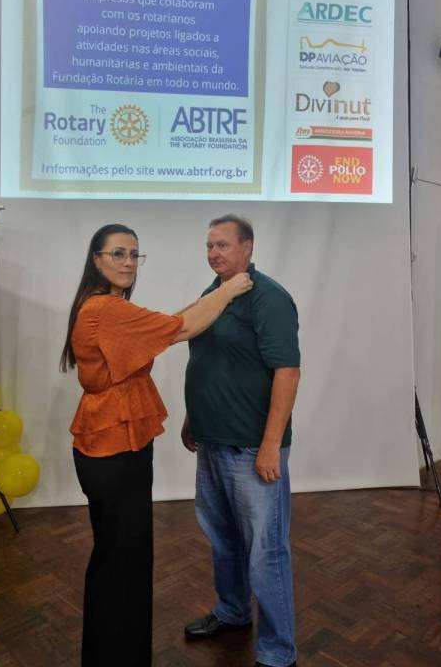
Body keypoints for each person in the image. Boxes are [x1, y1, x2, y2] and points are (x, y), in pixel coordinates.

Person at [59, 223, 253, 667]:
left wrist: (210, 299)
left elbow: (169, 325)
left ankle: (115, 654)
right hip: (113, 447)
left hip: (114, 443)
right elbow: (182, 328)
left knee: (120, 557)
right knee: (121, 559)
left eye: (134, 254)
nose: (128, 262)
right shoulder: (105, 309)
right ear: (96, 260)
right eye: (118, 254)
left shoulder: (109, 307)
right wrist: (228, 290)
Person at [181, 214, 301, 667]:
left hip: (251, 448)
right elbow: (207, 361)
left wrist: (271, 445)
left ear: (248, 248)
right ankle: (232, 611)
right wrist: (193, 418)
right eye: (209, 245)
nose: (213, 253)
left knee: (265, 551)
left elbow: (287, 372)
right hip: (212, 442)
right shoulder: (212, 295)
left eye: (223, 245)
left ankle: (278, 651)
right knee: (224, 539)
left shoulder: (269, 298)